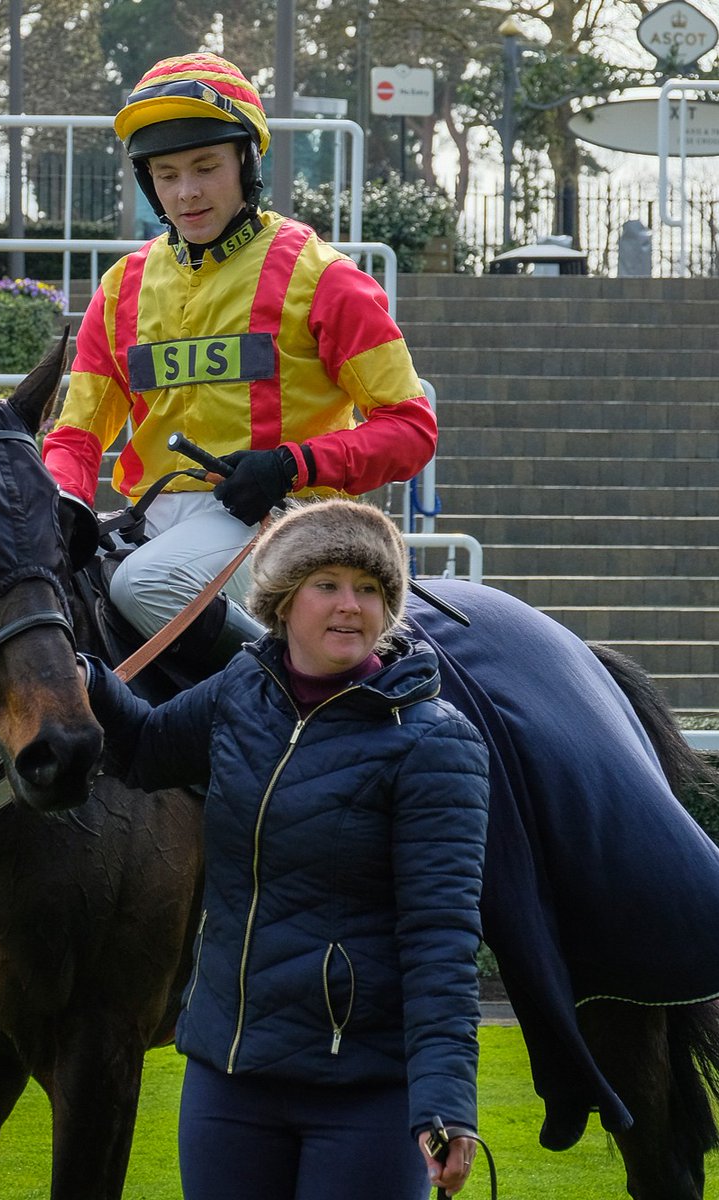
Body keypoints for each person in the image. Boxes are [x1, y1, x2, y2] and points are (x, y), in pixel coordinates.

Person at [78, 498, 489, 1200]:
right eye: (326, 584)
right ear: (282, 600)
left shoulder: (434, 742)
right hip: (227, 1080)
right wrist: (77, 675)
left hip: (364, 1092)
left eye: (369, 589)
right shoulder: (243, 688)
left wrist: (445, 1099)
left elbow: (440, 936)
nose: (349, 607)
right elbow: (145, 751)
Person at [43, 52, 437, 666]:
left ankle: (336, 690)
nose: (187, 192)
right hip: (152, 521)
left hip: (289, 523)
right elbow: (74, 434)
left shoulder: (325, 277)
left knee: (142, 585)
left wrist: (290, 465)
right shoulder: (122, 287)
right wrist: (66, 502)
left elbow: (411, 430)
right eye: (167, 175)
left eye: (206, 167)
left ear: (246, 163)